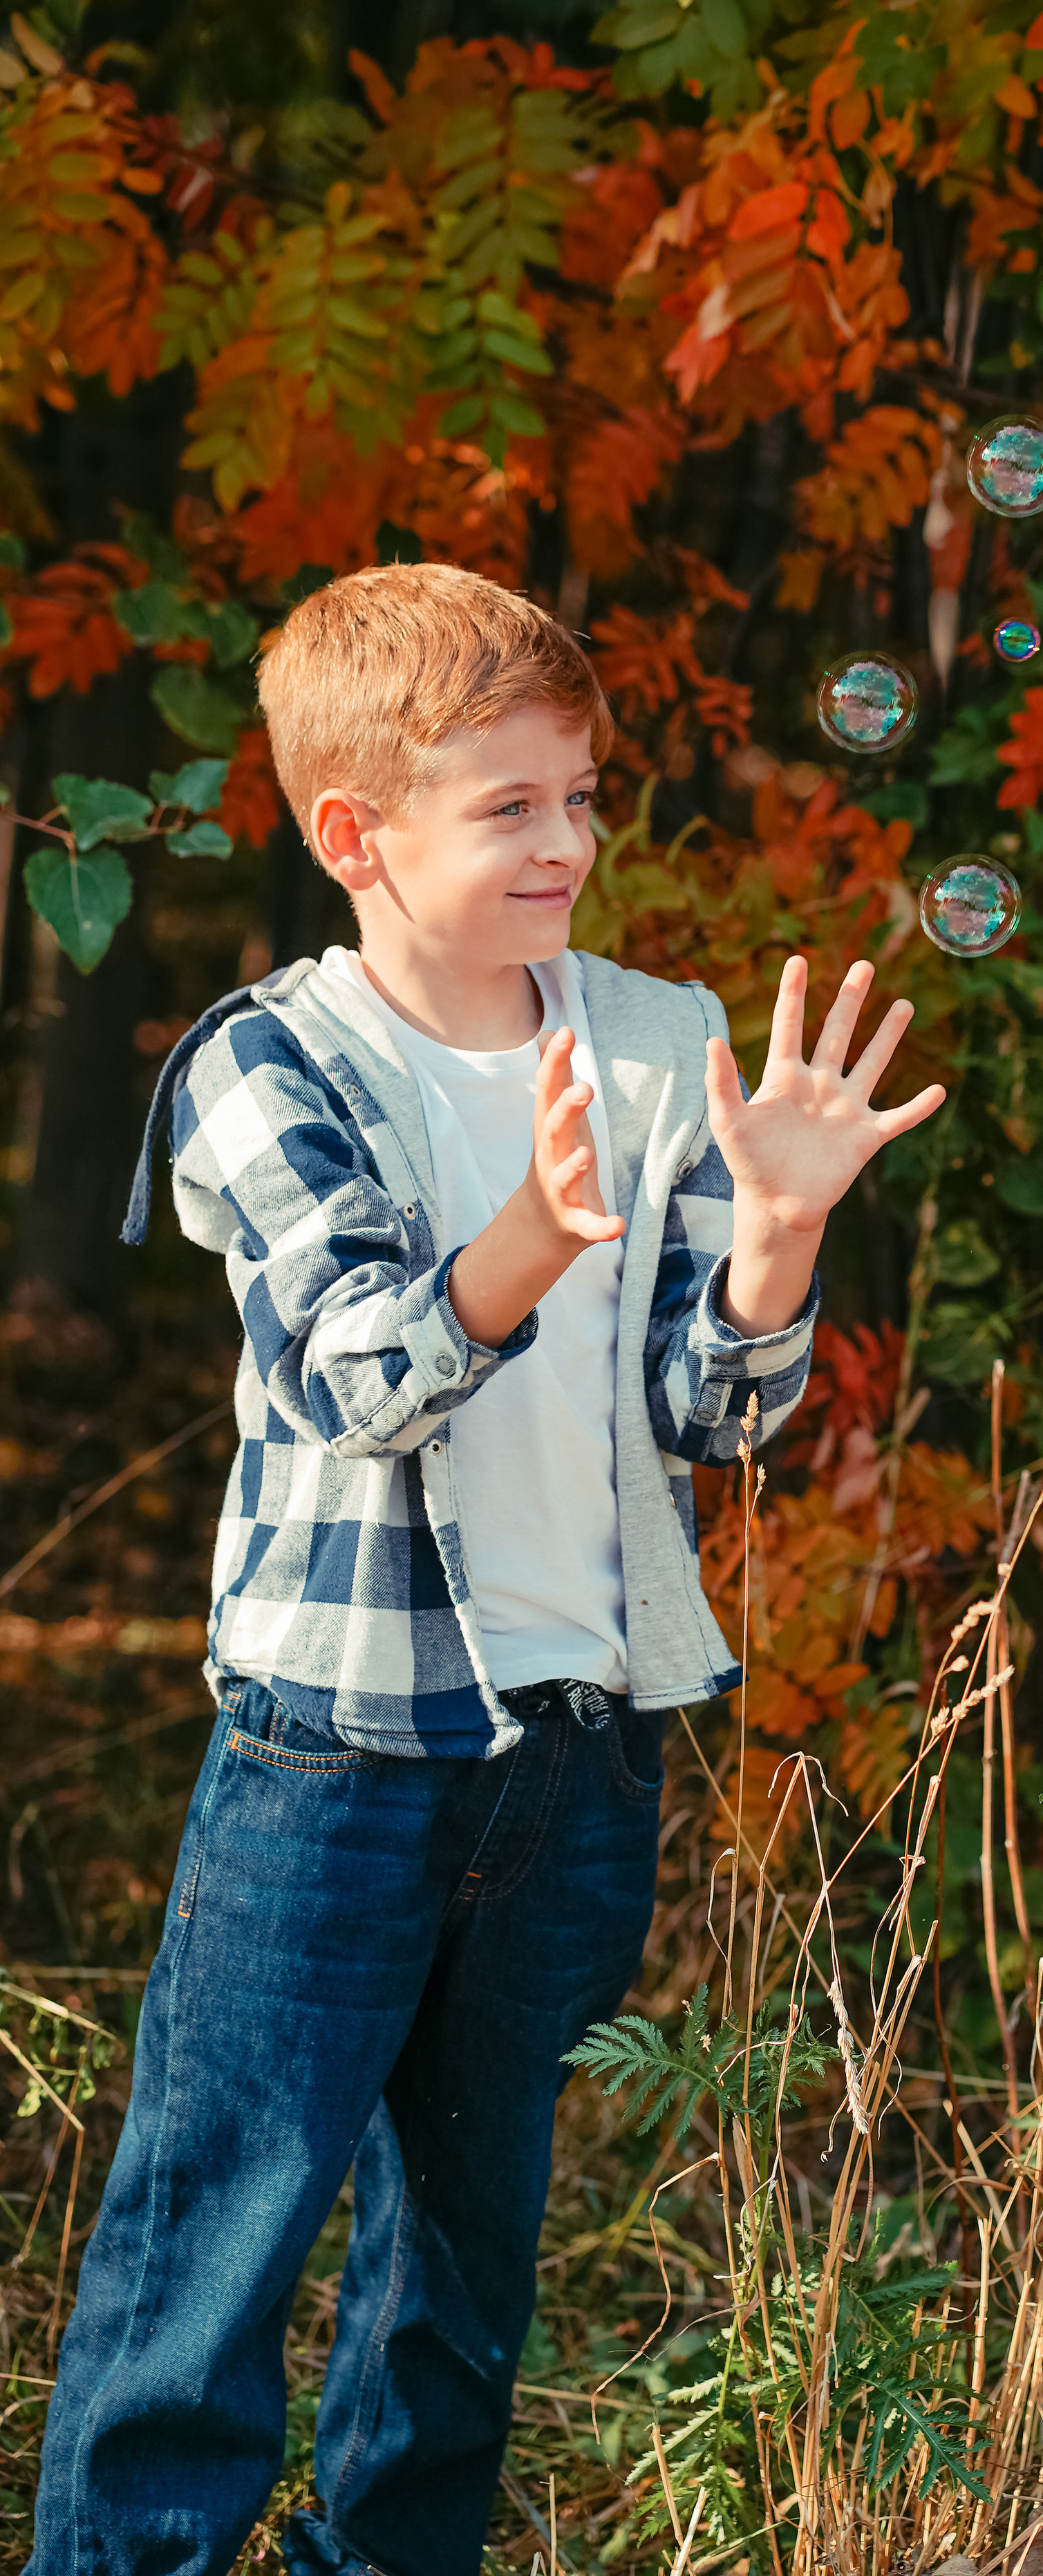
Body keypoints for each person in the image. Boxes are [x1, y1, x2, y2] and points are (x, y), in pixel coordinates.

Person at [27, 561, 946, 2576]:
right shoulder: (264, 1065)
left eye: (587, 794)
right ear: (353, 832)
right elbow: (365, 1369)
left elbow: (711, 1412)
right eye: (511, 805)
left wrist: (776, 1243)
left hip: (570, 1755)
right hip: (334, 1757)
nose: (570, 842)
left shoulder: (659, 1036)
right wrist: (534, 1226)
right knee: (215, 2252)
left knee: (459, 2283)